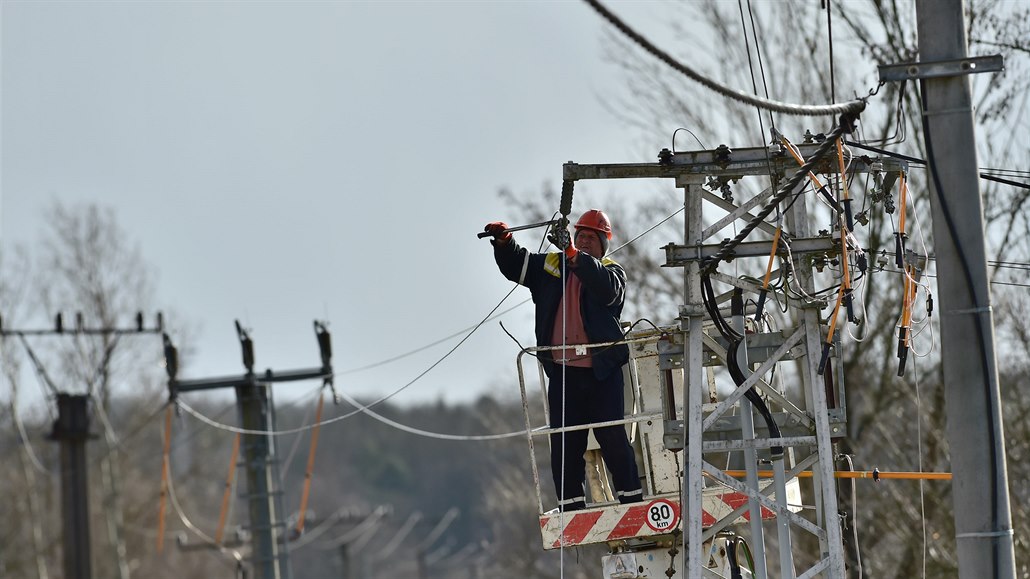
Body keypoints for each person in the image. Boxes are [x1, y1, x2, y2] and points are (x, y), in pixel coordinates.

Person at [484, 209, 643, 511]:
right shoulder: (552, 266)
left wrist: (574, 254)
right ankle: (571, 507)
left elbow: (609, 292)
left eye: (590, 239)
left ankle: (631, 501)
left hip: (602, 373)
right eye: (580, 236)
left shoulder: (611, 271)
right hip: (564, 374)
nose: (583, 242)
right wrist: (504, 242)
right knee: (566, 444)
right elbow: (518, 265)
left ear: (602, 245)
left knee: (613, 440)